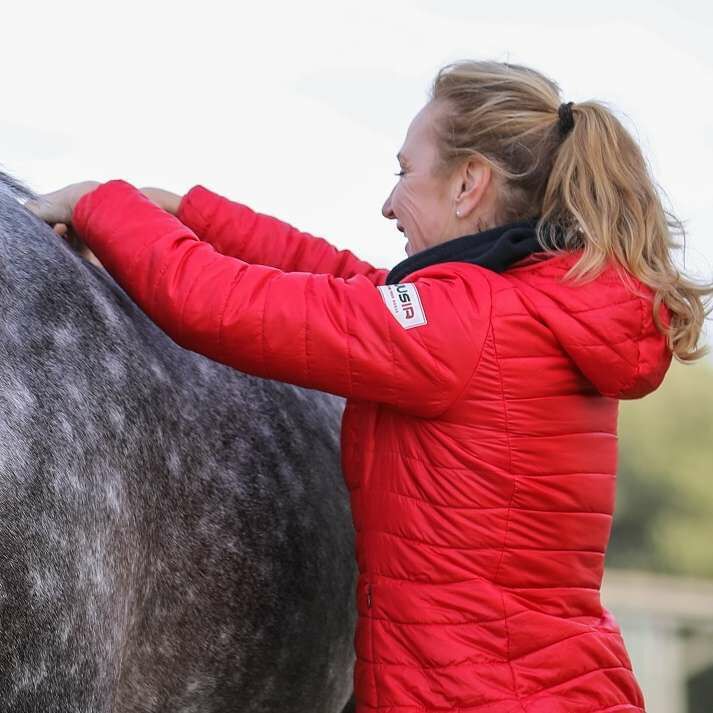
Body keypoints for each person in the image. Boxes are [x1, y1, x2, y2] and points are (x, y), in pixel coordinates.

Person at [25, 59, 712, 713]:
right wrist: (189, 213)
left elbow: (225, 305)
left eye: (404, 170)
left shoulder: (469, 327)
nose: (389, 202)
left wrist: (101, 204)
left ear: (469, 183)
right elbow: (353, 286)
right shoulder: (518, 308)